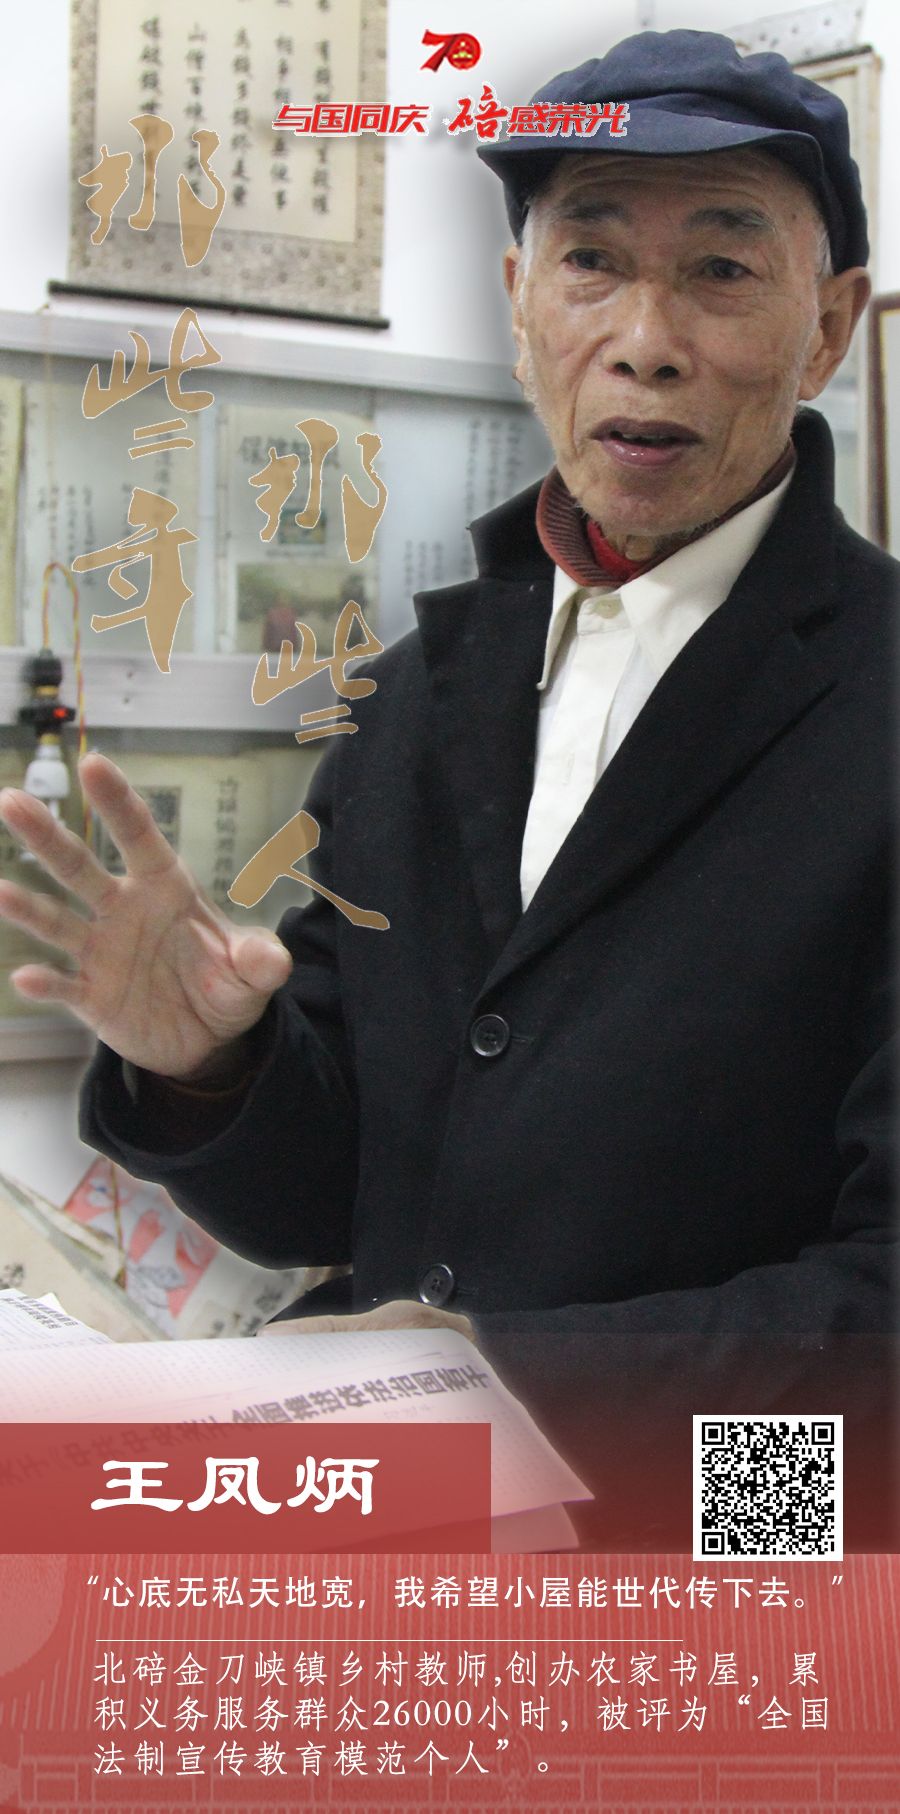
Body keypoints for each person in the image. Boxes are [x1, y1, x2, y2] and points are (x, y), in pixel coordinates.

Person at [0, 31, 895, 1536]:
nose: (646, 338)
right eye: (592, 261)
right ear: (521, 303)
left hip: (744, 1575)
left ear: (829, 331)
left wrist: (514, 1405)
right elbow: (334, 1193)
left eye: (723, 271)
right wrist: (211, 1065)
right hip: (411, 1556)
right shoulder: (424, 693)